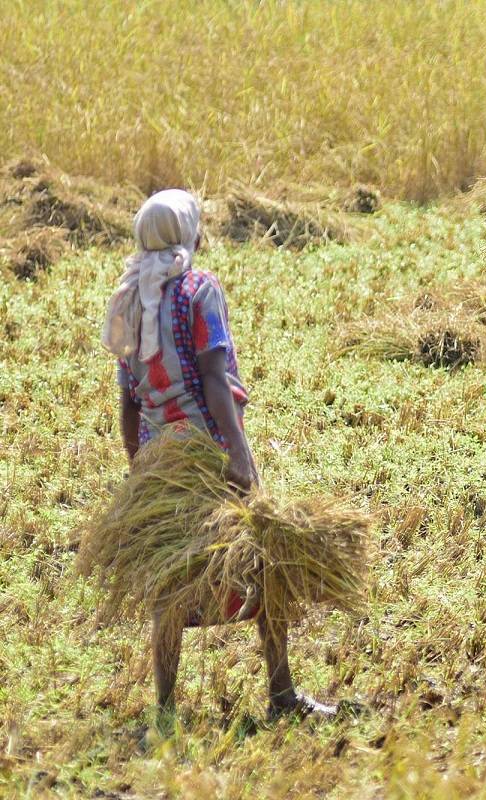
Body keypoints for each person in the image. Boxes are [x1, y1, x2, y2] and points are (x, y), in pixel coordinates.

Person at [101, 189, 334, 719]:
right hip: (208, 453)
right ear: (189, 235)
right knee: (264, 559)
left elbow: (128, 399)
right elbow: (213, 377)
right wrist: (238, 455)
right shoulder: (198, 290)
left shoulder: (128, 301)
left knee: (170, 580)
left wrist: (139, 466)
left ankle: (164, 706)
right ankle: (281, 694)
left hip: (161, 464)